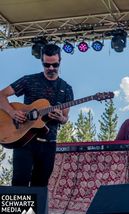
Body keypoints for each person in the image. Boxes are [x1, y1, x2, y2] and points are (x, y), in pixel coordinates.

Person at [0, 44, 74, 186]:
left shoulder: (66, 89)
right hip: (24, 140)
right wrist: (13, 112)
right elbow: (1, 95)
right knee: (19, 184)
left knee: (40, 186)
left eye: (55, 65)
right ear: (42, 61)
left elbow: (65, 118)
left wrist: (61, 118)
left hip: (48, 144)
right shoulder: (29, 80)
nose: (51, 68)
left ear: (60, 61)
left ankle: (36, 210)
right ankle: (22, 210)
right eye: (47, 65)